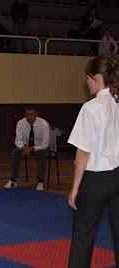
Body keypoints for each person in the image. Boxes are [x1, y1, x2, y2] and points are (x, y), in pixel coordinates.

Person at [67, 55, 119, 267]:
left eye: (88, 77)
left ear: (98, 77)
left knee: (83, 236)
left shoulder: (90, 108)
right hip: (118, 175)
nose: (86, 82)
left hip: (97, 179)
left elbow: (83, 153)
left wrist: (75, 188)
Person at [4, 107, 50, 191]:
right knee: (15, 152)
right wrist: (23, 148)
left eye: (32, 114)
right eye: (28, 114)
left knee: (42, 153)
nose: (30, 117)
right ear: (25, 115)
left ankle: (40, 181)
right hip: (25, 148)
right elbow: (18, 140)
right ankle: (13, 181)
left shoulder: (44, 124)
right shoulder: (20, 123)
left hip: (39, 148)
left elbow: (45, 144)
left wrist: (32, 148)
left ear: (36, 114)